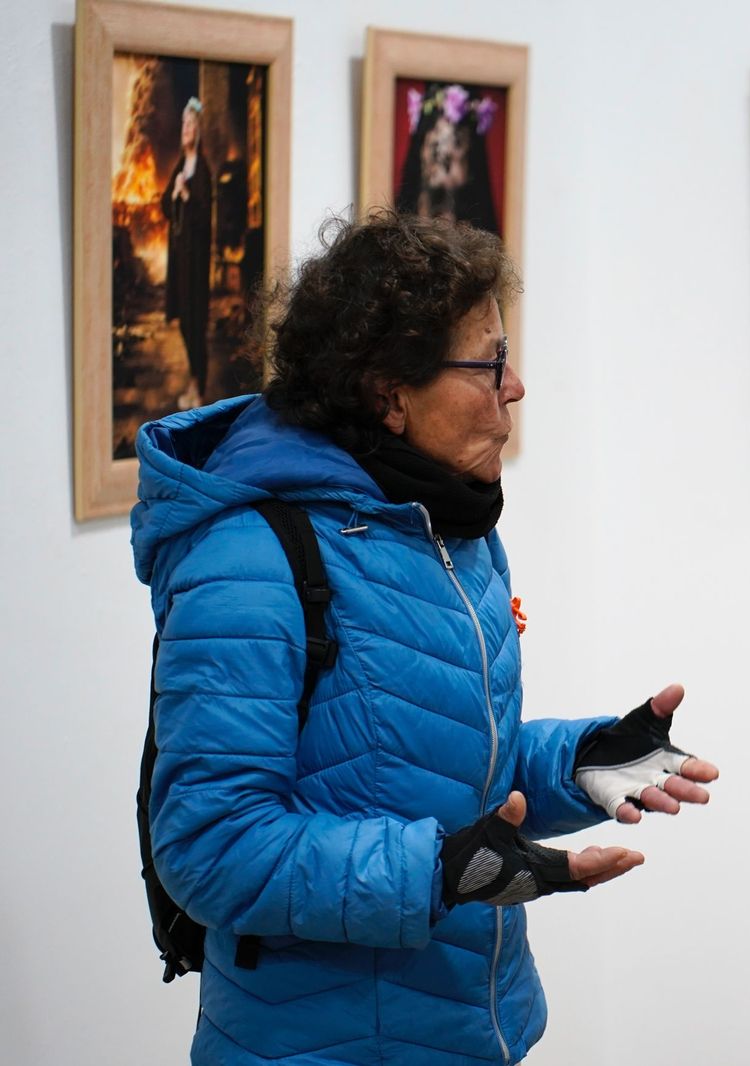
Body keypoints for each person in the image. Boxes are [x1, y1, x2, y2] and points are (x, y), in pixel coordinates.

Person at [131, 210, 719, 1064]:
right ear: (390, 395)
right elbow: (208, 843)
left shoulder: (450, 531)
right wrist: (436, 873)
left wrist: (582, 761)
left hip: (471, 1030)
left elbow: (429, 768)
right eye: (490, 365)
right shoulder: (250, 558)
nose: (515, 388)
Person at [396, 82, 502, 236]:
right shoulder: (401, 234)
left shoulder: (477, 242)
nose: (442, 163)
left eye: (456, 143)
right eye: (435, 147)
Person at [161, 96, 212, 411]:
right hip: (179, 260)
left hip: (195, 262)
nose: (185, 129)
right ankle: (194, 381)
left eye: (191, 124)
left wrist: (188, 195)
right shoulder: (180, 166)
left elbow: (205, 213)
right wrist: (176, 193)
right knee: (183, 321)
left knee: (196, 322)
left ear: (199, 130)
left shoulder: (202, 168)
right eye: (183, 123)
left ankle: (199, 388)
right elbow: (165, 205)